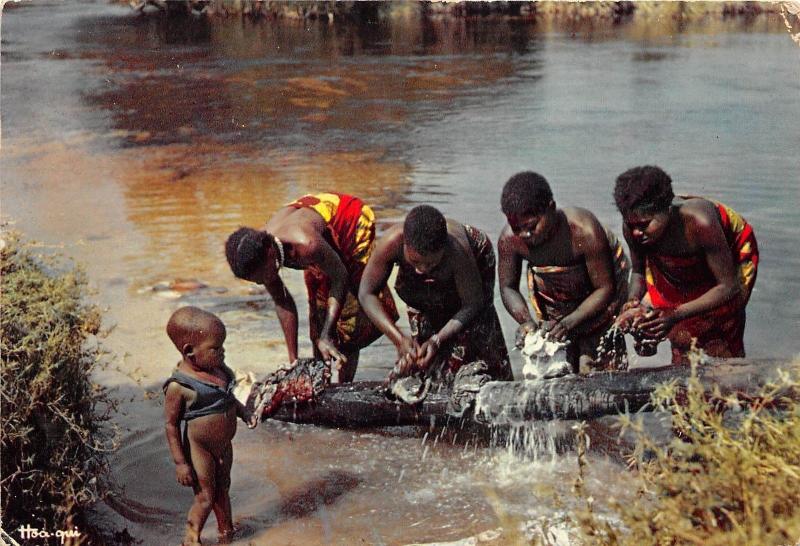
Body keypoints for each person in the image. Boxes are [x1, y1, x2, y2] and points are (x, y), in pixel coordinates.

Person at [225, 193, 397, 383]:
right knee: (318, 312)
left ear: (270, 254)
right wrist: (294, 362)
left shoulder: (306, 246)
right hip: (313, 230)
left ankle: (345, 385)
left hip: (350, 220)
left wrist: (328, 334)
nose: (260, 283)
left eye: (260, 278)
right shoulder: (258, 253)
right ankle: (320, 382)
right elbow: (282, 301)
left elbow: (340, 277)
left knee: (349, 316)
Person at [613, 165, 758, 363]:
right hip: (675, 262)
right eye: (631, 225)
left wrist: (674, 315)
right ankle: (683, 372)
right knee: (676, 334)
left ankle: (729, 380)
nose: (637, 232)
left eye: (644, 224)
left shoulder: (700, 222)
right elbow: (638, 271)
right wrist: (631, 301)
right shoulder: (635, 227)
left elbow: (728, 286)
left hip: (730, 258)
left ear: (667, 210)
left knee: (717, 331)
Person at [359, 205, 513, 391]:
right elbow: (366, 294)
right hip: (425, 294)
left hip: (475, 273)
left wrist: (438, 340)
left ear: (443, 249)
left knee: (474, 336)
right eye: (415, 261)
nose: (421, 269)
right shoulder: (392, 242)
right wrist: (398, 338)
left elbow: (472, 304)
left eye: (430, 263)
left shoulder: (457, 251)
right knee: (423, 357)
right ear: (405, 244)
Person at [497, 171, 630, 372]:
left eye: (531, 226)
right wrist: (526, 322)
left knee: (597, 370)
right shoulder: (510, 240)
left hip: (599, 303)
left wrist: (568, 323)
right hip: (556, 301)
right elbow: (508, 287)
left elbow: (605, 288)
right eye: (517, 228)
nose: (525, 235)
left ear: (551, 208)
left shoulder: (584, 231)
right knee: (553, 368)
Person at [163, 306, 254, 546]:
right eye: (216, 348)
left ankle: (226, 532)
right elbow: (171, 426)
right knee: (205, 496)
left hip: (224, 445)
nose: (223, 353)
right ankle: (191, 538)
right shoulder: (179, 386)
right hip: (199, 449)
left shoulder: (221, 371)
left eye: (223, 346)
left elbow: (230, 397)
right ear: (189, 351)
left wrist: (244, 413)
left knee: (223, 488)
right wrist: (181, 463)